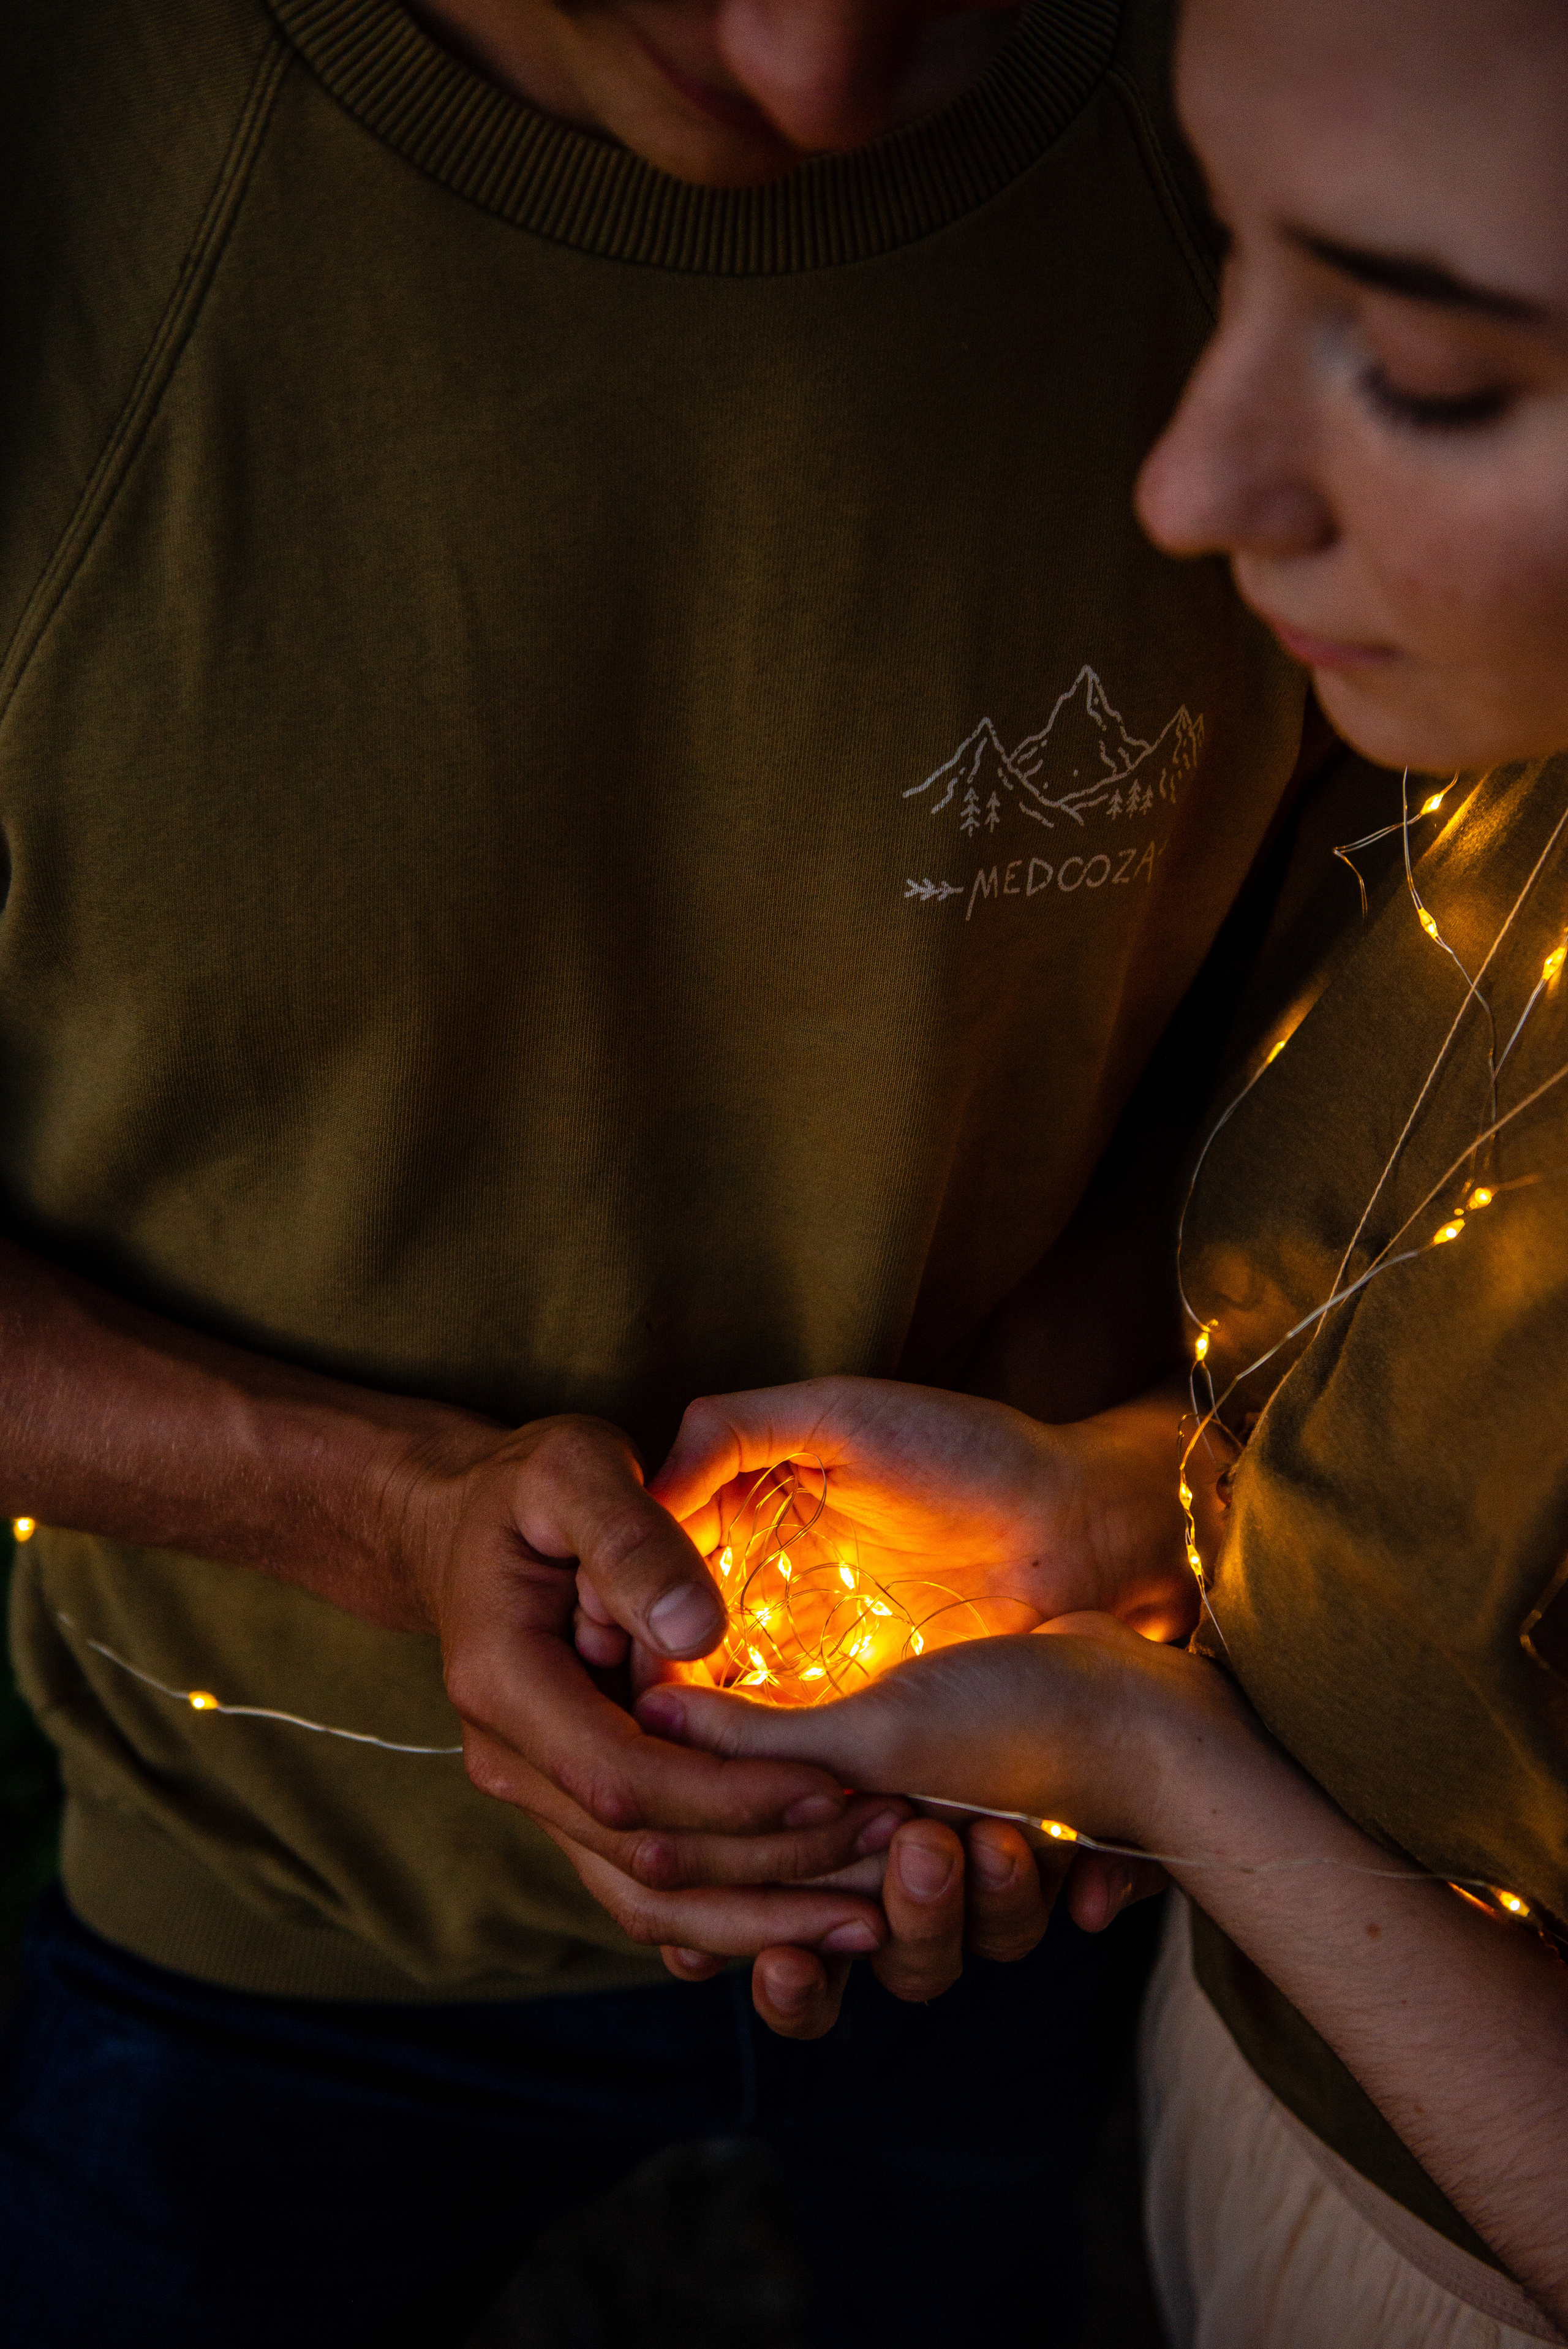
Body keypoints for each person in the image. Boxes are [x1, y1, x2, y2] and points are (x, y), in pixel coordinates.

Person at [0, 0, 1325, 2342]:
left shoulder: (1312, 142)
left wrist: (1079, 1466)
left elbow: (1365, 944)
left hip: (1019, 1871)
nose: (815, 72)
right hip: (261, 1899)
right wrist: (380, 1510)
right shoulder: (73, 178)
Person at [639, 0, 1568, 2340]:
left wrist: (1153, 1763)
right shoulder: (1485, 785)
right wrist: (1117, 1503)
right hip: (1247, 2085)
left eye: (1432, 368)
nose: (1187, 483)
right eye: (1235, 252)